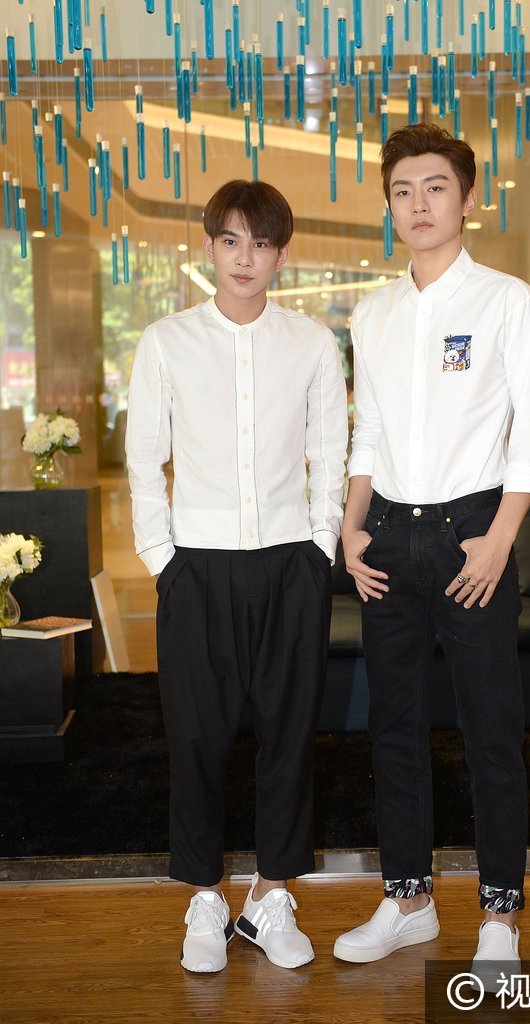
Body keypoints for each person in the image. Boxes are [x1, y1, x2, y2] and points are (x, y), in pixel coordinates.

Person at [333, 124, 530, 990]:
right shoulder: (372, 313)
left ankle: (498, 916)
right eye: (402, 190)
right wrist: (350, 531)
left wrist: (499, 539)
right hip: (388, 538)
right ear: (389, 206)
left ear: (467, 199)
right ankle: (408, 900)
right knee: (391, 727)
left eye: (434, 187)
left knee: (489, 731)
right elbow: (369, 433)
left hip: (473, 534)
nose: (418, 204)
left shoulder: (507, 302)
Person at [126, 179, 348, 974]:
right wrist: (163, 560)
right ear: (208, 247)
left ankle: (271, 897)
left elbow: (330, 452)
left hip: (291, 564)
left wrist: (320, 545)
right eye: (230, 240)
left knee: (289, 735)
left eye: (260, 243)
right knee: (196, 738)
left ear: (281, 254)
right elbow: (143, 459)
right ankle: (203, 899)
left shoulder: (312, 342)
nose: (244, 257)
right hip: (196, 568)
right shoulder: (165, 341)